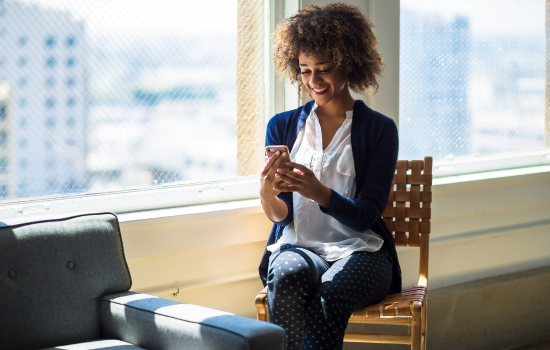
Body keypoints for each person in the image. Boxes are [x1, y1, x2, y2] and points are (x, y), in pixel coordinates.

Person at [258, 3, 401, 350]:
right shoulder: (282, 126)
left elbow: (367, 214)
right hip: (301, 246)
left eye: (324, 69)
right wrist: (266, 195)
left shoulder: (379, 130)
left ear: (348, 63)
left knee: (332, 293)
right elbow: (285, 215)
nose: (314, 81)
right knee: (287, 276)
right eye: (305, 70)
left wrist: (319, 192)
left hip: (362, 252)